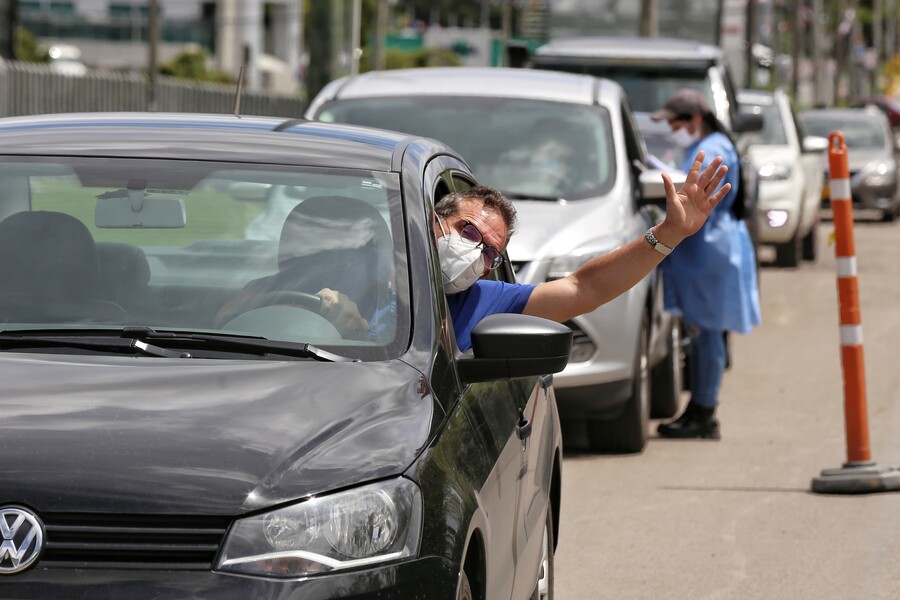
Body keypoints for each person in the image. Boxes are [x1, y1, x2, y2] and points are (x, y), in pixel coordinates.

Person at [317, 150, 732, 357]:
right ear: (433, 221)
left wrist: (668, 234)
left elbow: (583, 287)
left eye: (488, 253)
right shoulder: (350, 264)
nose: (472, 252)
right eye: (467, 231)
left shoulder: (485, 302)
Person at [649, 88, 762, 440]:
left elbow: (690, 197)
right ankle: (700, 408)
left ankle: (704, 411)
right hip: (711, 251)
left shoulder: (709, 150)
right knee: (704, 334)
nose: (671, 129)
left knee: (706, 333)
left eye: (674, 122)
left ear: (694, 120)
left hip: (710, 254)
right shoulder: (711, 145)